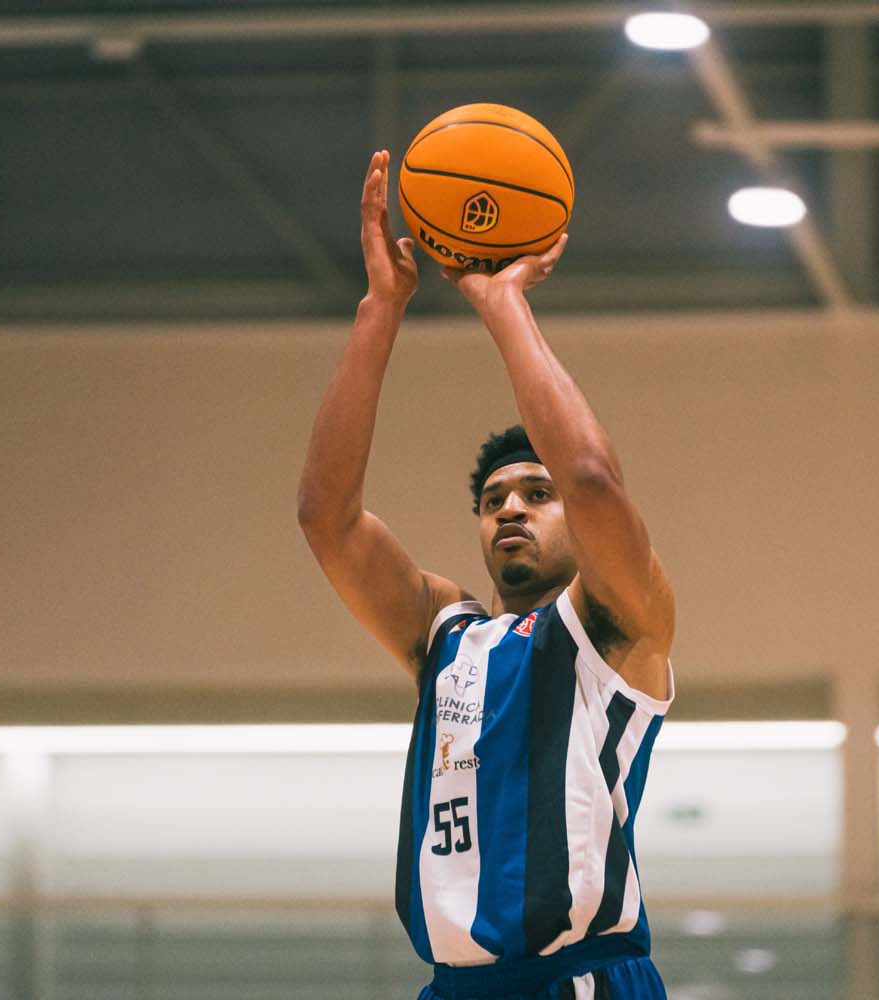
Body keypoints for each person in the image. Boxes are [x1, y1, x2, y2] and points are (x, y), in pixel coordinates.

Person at [298, 150, 676, 1000]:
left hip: (579, 978)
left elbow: (592, 479)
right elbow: (327, 518)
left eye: (534, 494)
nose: (510, 508)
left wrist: (500, 300)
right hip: (454, 986)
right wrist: (379, 311)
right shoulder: (447, 631)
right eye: (494, 498)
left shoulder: (618, 624)